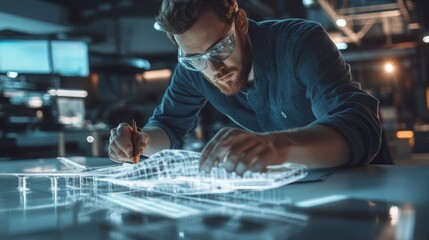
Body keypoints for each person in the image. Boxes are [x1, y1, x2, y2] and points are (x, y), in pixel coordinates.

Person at [108, 0, 381, 174]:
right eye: (196, 58)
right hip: (298, 189)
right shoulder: (194, 69)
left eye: (220, 49)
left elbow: (357, 126)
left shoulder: (300, 43)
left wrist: (277, 145)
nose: (215, 69)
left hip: (365, 179)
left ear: (240, 22)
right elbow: (167, 127)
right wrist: (141, 141)